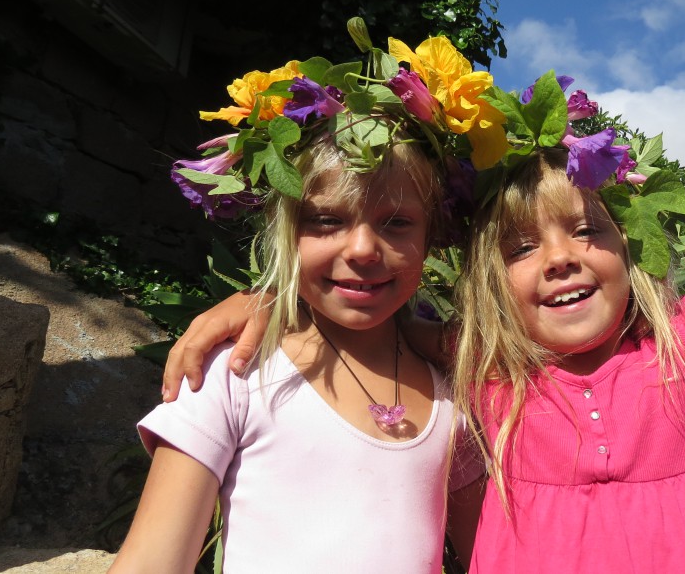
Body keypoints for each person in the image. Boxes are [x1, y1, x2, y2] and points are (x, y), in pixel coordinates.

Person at [164, 76, 685, 572]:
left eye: (589, 231)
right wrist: (266, 303)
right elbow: (356, 317)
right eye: (523, 247)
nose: (561, 258)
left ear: (629, 254)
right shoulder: (488, 374)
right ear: (493, 285)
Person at [110, 38, 487, 573]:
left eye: (397, 222)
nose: (361, 250)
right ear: (284, 232)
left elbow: (489, 558)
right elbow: (150, 563)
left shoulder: (455, 397)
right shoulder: (235, 372)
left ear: (433, 237)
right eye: (326, 220)